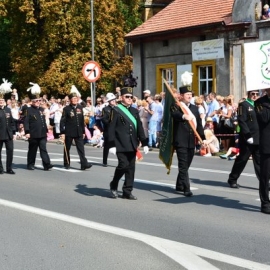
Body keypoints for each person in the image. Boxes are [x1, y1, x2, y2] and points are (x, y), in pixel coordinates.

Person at [108, 87, 149, 200]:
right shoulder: (116, 110)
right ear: (121, 98)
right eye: (127, 97)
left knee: (131, 168)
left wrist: (144, 142)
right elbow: (111, 128)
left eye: (131, 97)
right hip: (120, 144)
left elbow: (139, 127)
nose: (130, 99)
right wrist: (111, 144)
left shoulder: (134, 111)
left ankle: (127, 191)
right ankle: (114, 184)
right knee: (123, 165)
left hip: (132, 143)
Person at [171, 85, 205, 197]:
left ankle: (179, 185)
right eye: (187, 94)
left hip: (191, 141)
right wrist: (183, 116)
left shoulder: (195, 108)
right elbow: (174, 114)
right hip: (180, 140)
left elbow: (199, 126)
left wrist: (202, 139)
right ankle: (186, 188)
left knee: (187, 164)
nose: (190, 96)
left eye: (191, 94)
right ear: (181, 96)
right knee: (183, 164)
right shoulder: (177, 106)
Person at [227, 90, 260, 189]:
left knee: (260, 162)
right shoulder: (243, 105)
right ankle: (232, 178)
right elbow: (242, 121)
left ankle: (264, 182)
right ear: (249, 94)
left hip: (258, 137)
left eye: (257, 94)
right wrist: (247, 135)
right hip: (248, 138)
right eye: (253, 94)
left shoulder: (259, 105)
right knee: (242, 159)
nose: (255, 96)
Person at [60, 92, 92, 170]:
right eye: (73, 98)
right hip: (69, 132)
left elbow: (81, 121)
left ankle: (84, 164)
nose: (75, 100)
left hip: (79, 131)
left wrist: (83, 132)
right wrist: (62, 133)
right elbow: (62, 121)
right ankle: (66, 163)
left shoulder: (80, 107)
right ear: (70, 100)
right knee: (67, 148)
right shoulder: (66, 109)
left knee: (81, 149)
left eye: (76, 98)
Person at [24, 94, 53, 171]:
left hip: (42, 133)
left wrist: (46, 130)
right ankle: (30, 164)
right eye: (36, 100)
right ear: (32, 101)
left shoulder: (41, 109)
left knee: (43, 149)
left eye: (39, 100)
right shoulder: (28, 110)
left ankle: (47, 164)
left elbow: (43, 121)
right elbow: (26, 122)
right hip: (33, 133)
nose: (38, 102)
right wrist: (27, 132)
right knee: (32, 150)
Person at [255, 88, 270, 214]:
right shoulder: (260, 102)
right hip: (267, 145)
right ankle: (265, 202)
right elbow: (264, 118)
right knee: (265, 176)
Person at [0, 96, 16, 174]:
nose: (1, 101)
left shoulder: (8, 109)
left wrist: (14, 132)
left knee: (10, 151)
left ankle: (9, 168)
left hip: (8, 134)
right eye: (0, 100)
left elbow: (12, 122)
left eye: (2, 100)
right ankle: (0, 168)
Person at [101, 92, 117, 167]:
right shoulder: (105, 109)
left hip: (117, 130)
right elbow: (103, 119)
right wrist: (110, 123)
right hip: (108, 130)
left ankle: (121, 161)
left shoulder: (118, 108)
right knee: (107, 146)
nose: (113, 101)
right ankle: (104, 161)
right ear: (109, 101)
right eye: (112, 100)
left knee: (119, 146)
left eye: (114, 99)